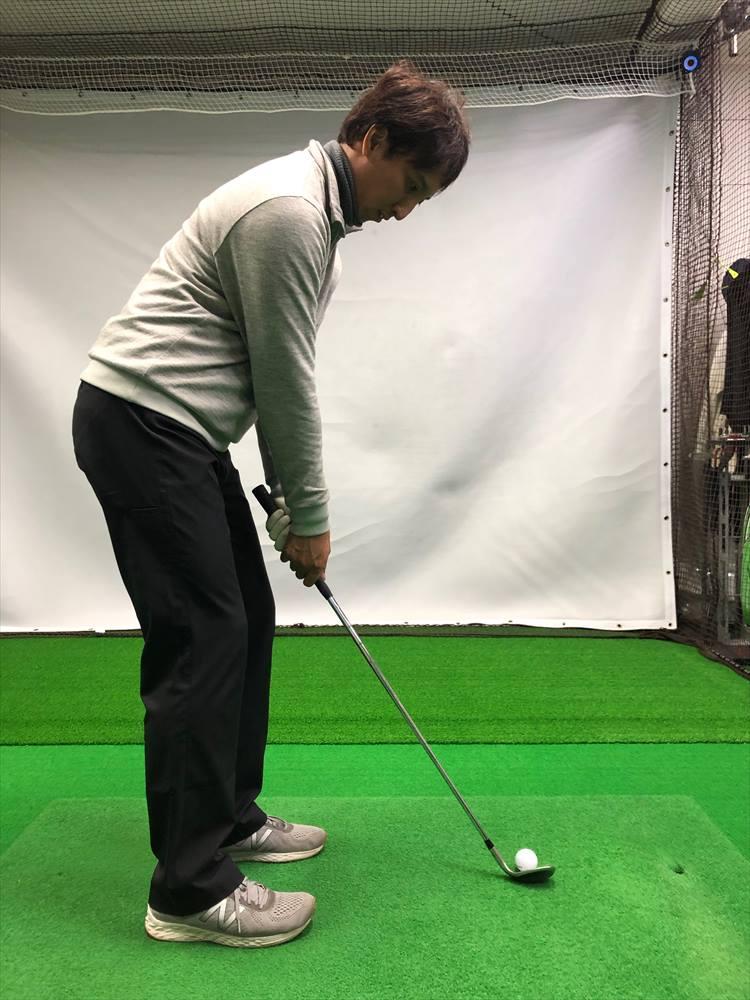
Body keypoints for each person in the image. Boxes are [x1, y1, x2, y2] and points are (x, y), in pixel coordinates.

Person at [71, 58, 471, 949]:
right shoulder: (288, 214)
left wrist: (290, 506)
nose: (407, 211)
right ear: (372, 140)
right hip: (143, 423)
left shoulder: (315, 213)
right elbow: (285, 384)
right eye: (411, 186)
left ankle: (227, 816)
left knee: (244, 615)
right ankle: (188, 890)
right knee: (202, 639)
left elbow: (261, 375)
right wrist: (311, 520)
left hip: (181, 428)